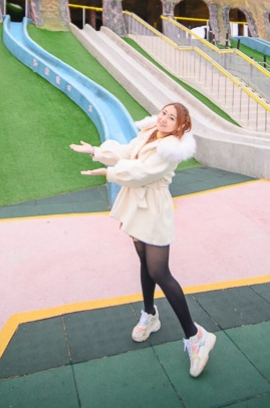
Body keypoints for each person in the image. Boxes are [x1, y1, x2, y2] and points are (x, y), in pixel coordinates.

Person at [70, 103, 216, 378]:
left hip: (154, 209)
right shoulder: (150, 132)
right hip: (138, 207)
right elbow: (128, 152)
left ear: (180, 126)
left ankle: (196, 335)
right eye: (163, 113)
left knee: (160, 271)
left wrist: (108, 173)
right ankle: (150, 315)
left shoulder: (170, 149)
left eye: (171, 118)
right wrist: (96, 152)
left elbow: (141, 173)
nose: (163, 119)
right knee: (144, 263)